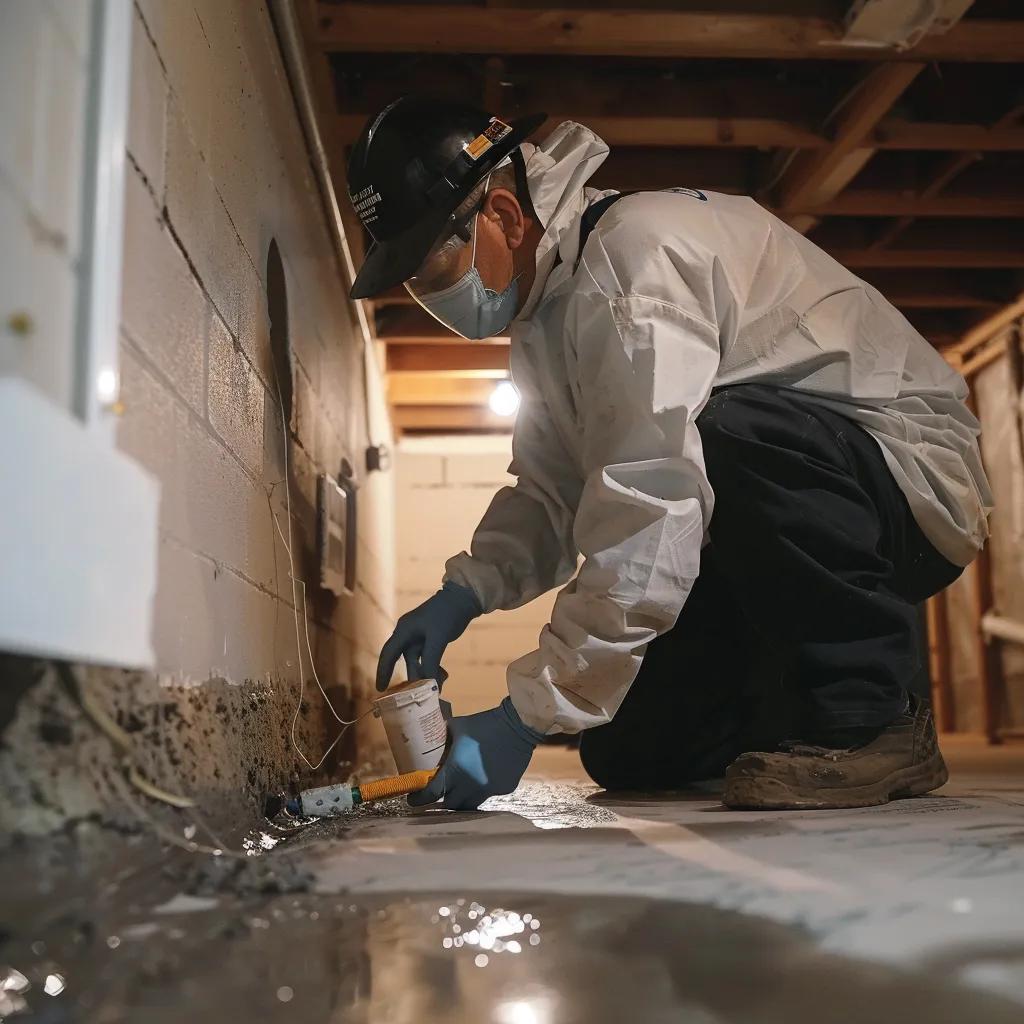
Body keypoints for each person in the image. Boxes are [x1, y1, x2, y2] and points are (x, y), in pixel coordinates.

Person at [347, 97, 993, 812]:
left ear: (503, 215)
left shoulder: (633, 266)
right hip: (766, 518)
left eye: (434, 264)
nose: (430, 293)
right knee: (631, 750)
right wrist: (464, 592)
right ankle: (792, 708)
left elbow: (652, 501)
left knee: (727, 430)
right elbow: (555, 493)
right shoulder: (546, 320)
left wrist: (523, 716)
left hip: (903, 485)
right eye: (413, 280)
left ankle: (871, 717)